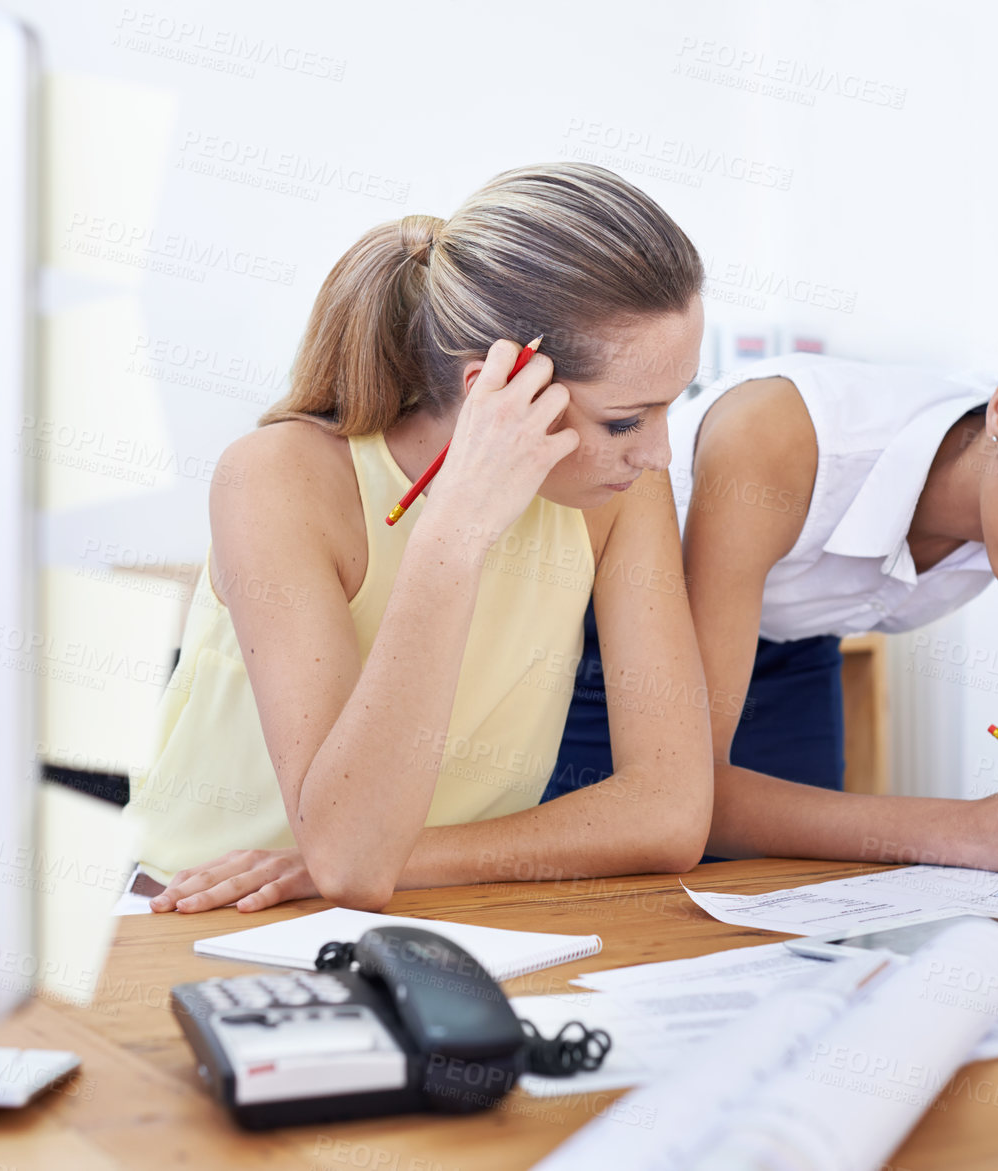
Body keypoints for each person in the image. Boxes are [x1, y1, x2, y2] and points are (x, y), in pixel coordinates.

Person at [128, 163, 713, 913]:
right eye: (626, 420)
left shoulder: (619, 490)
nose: (657, 453)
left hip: (436, 908)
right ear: (499, 391)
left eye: (672, 407)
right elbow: (349, 860)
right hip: (194, 918)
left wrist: (387, 859)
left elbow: (667, 811)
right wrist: (455, 531)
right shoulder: (277, 478)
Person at [547, 288, 998, 874]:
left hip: (793, 643)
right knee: (628, 901)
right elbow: (689, 798)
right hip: (607, 646)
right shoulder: (777, 436)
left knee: (791, 922)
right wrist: (969, 828)